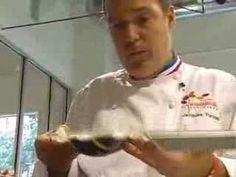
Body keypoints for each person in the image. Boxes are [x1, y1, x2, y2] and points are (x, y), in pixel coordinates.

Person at [34, 0, 236, 177]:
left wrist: (209, 169)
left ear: (170, 18)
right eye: (118, 25)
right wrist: (56, 165)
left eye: (143, 19)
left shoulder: (221, 86)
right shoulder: (94, 94)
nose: (130, 37)